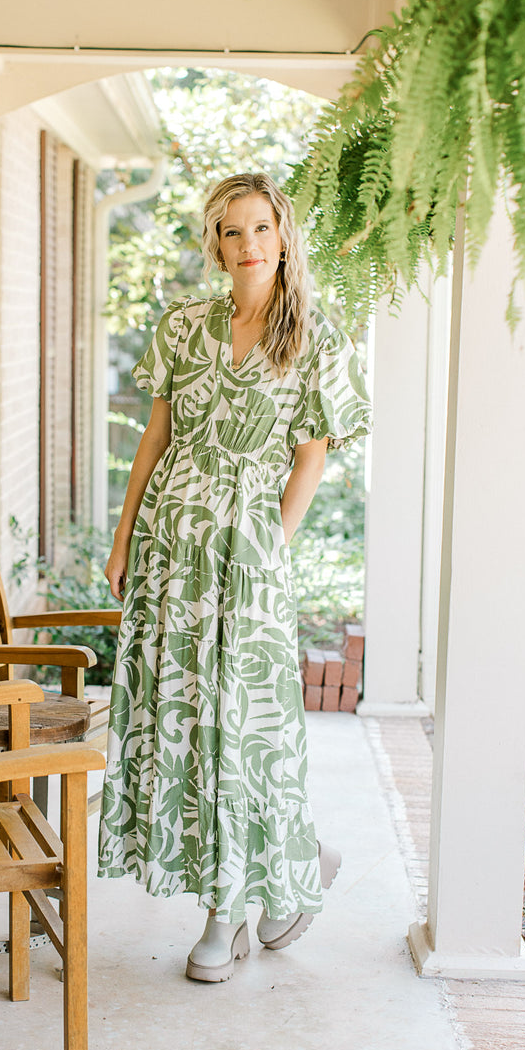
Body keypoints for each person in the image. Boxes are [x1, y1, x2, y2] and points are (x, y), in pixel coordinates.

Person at [98, 172, 371, 983]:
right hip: (172, 551)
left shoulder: (317, 338)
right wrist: (123, 539)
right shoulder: (185, 326)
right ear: (214, 244)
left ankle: (228, 912)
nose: (247, 243)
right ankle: (295, 860)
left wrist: (270, 549)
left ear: (282, 236)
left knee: (242, 727)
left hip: (247, 554)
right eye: (230, 230)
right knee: (186, 720)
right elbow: (153, 440)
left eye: (260, 228)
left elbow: (310, 459)